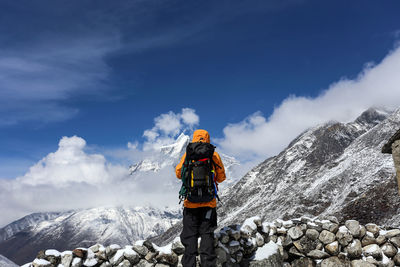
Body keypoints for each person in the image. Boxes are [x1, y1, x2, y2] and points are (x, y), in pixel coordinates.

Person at [175, 129, 226, 267]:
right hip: (209, 204)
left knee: (189, 237)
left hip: (190, 204)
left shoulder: (188, 153)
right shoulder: (213, 154)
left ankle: (189, 264)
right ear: (207, 138)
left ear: (194, 138)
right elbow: (221, 177)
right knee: (207, 235)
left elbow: (178, 173)